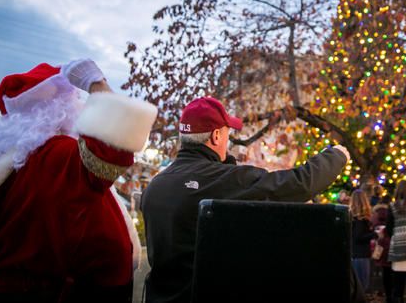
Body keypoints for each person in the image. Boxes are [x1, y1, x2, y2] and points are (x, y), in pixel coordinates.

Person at [0, 60, 157, 302]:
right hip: (70, 291)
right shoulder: (58, 153)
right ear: (63, 108)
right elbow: (113, 151)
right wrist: (97, 85)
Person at [141, 96, 354, 303]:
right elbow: (297, 185)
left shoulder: (155, 186)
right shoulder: (225, 180)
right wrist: (336, 155)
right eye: (227, 133)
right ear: (216, 136)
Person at [350, 189, 377, 293]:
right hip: (361, 255)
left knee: (357, 287)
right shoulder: (361, 220)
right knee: (362, 286)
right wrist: (375, 234)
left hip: (354, 254)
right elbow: (359, 237)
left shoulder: (351, 217)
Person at [372, 194, 393, 303]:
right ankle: (393, 294)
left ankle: (387, 295)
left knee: (385, 270)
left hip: (381, 245)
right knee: (392, 270)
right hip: (391, 244)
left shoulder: (375, 213)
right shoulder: (391, 212)